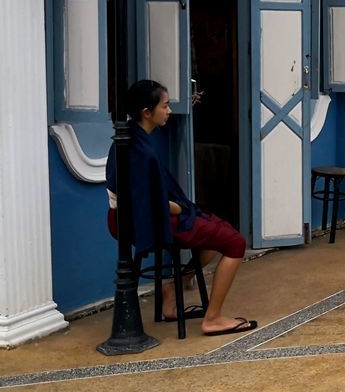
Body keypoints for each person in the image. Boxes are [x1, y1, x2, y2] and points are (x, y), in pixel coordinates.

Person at [107, 80, 257, 337]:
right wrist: (179, 208)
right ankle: (213, 318)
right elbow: (151, 202)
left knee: (214, 234)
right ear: (147, 111)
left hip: (126, 217)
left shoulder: (130, 137)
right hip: (143, 219)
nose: (169, 112)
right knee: (235, 242)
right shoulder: (139, 150)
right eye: (164, 106)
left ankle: (173, 288)